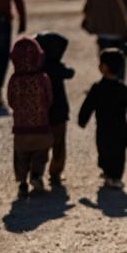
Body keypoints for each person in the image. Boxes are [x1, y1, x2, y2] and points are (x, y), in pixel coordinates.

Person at [77, 49, 127, 189]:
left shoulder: (97, 88)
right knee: (119, 154)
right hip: (121, 128)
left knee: (104, 151)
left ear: (104, 68)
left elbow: (87, 106)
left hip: (104, 128)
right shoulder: (122, 88)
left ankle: (110, 175)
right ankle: (115, 176)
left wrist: (82, 120)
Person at [7, 37, 53, 197]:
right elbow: (49, 99)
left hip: (20, 128)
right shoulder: (42, 78)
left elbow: (11, 101)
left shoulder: (14, 80)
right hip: (41, 125)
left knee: (21, 156)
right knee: (41, 153)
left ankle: (22, 183)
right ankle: (36, 175)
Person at [35, 32, 75, 186]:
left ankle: (37, 172)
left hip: (42, 113)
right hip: (59, 112)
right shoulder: (57, 67)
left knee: (41, 145)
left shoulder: (39, 66)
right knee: (59, 145)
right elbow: (70, 73)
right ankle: (55, 173)